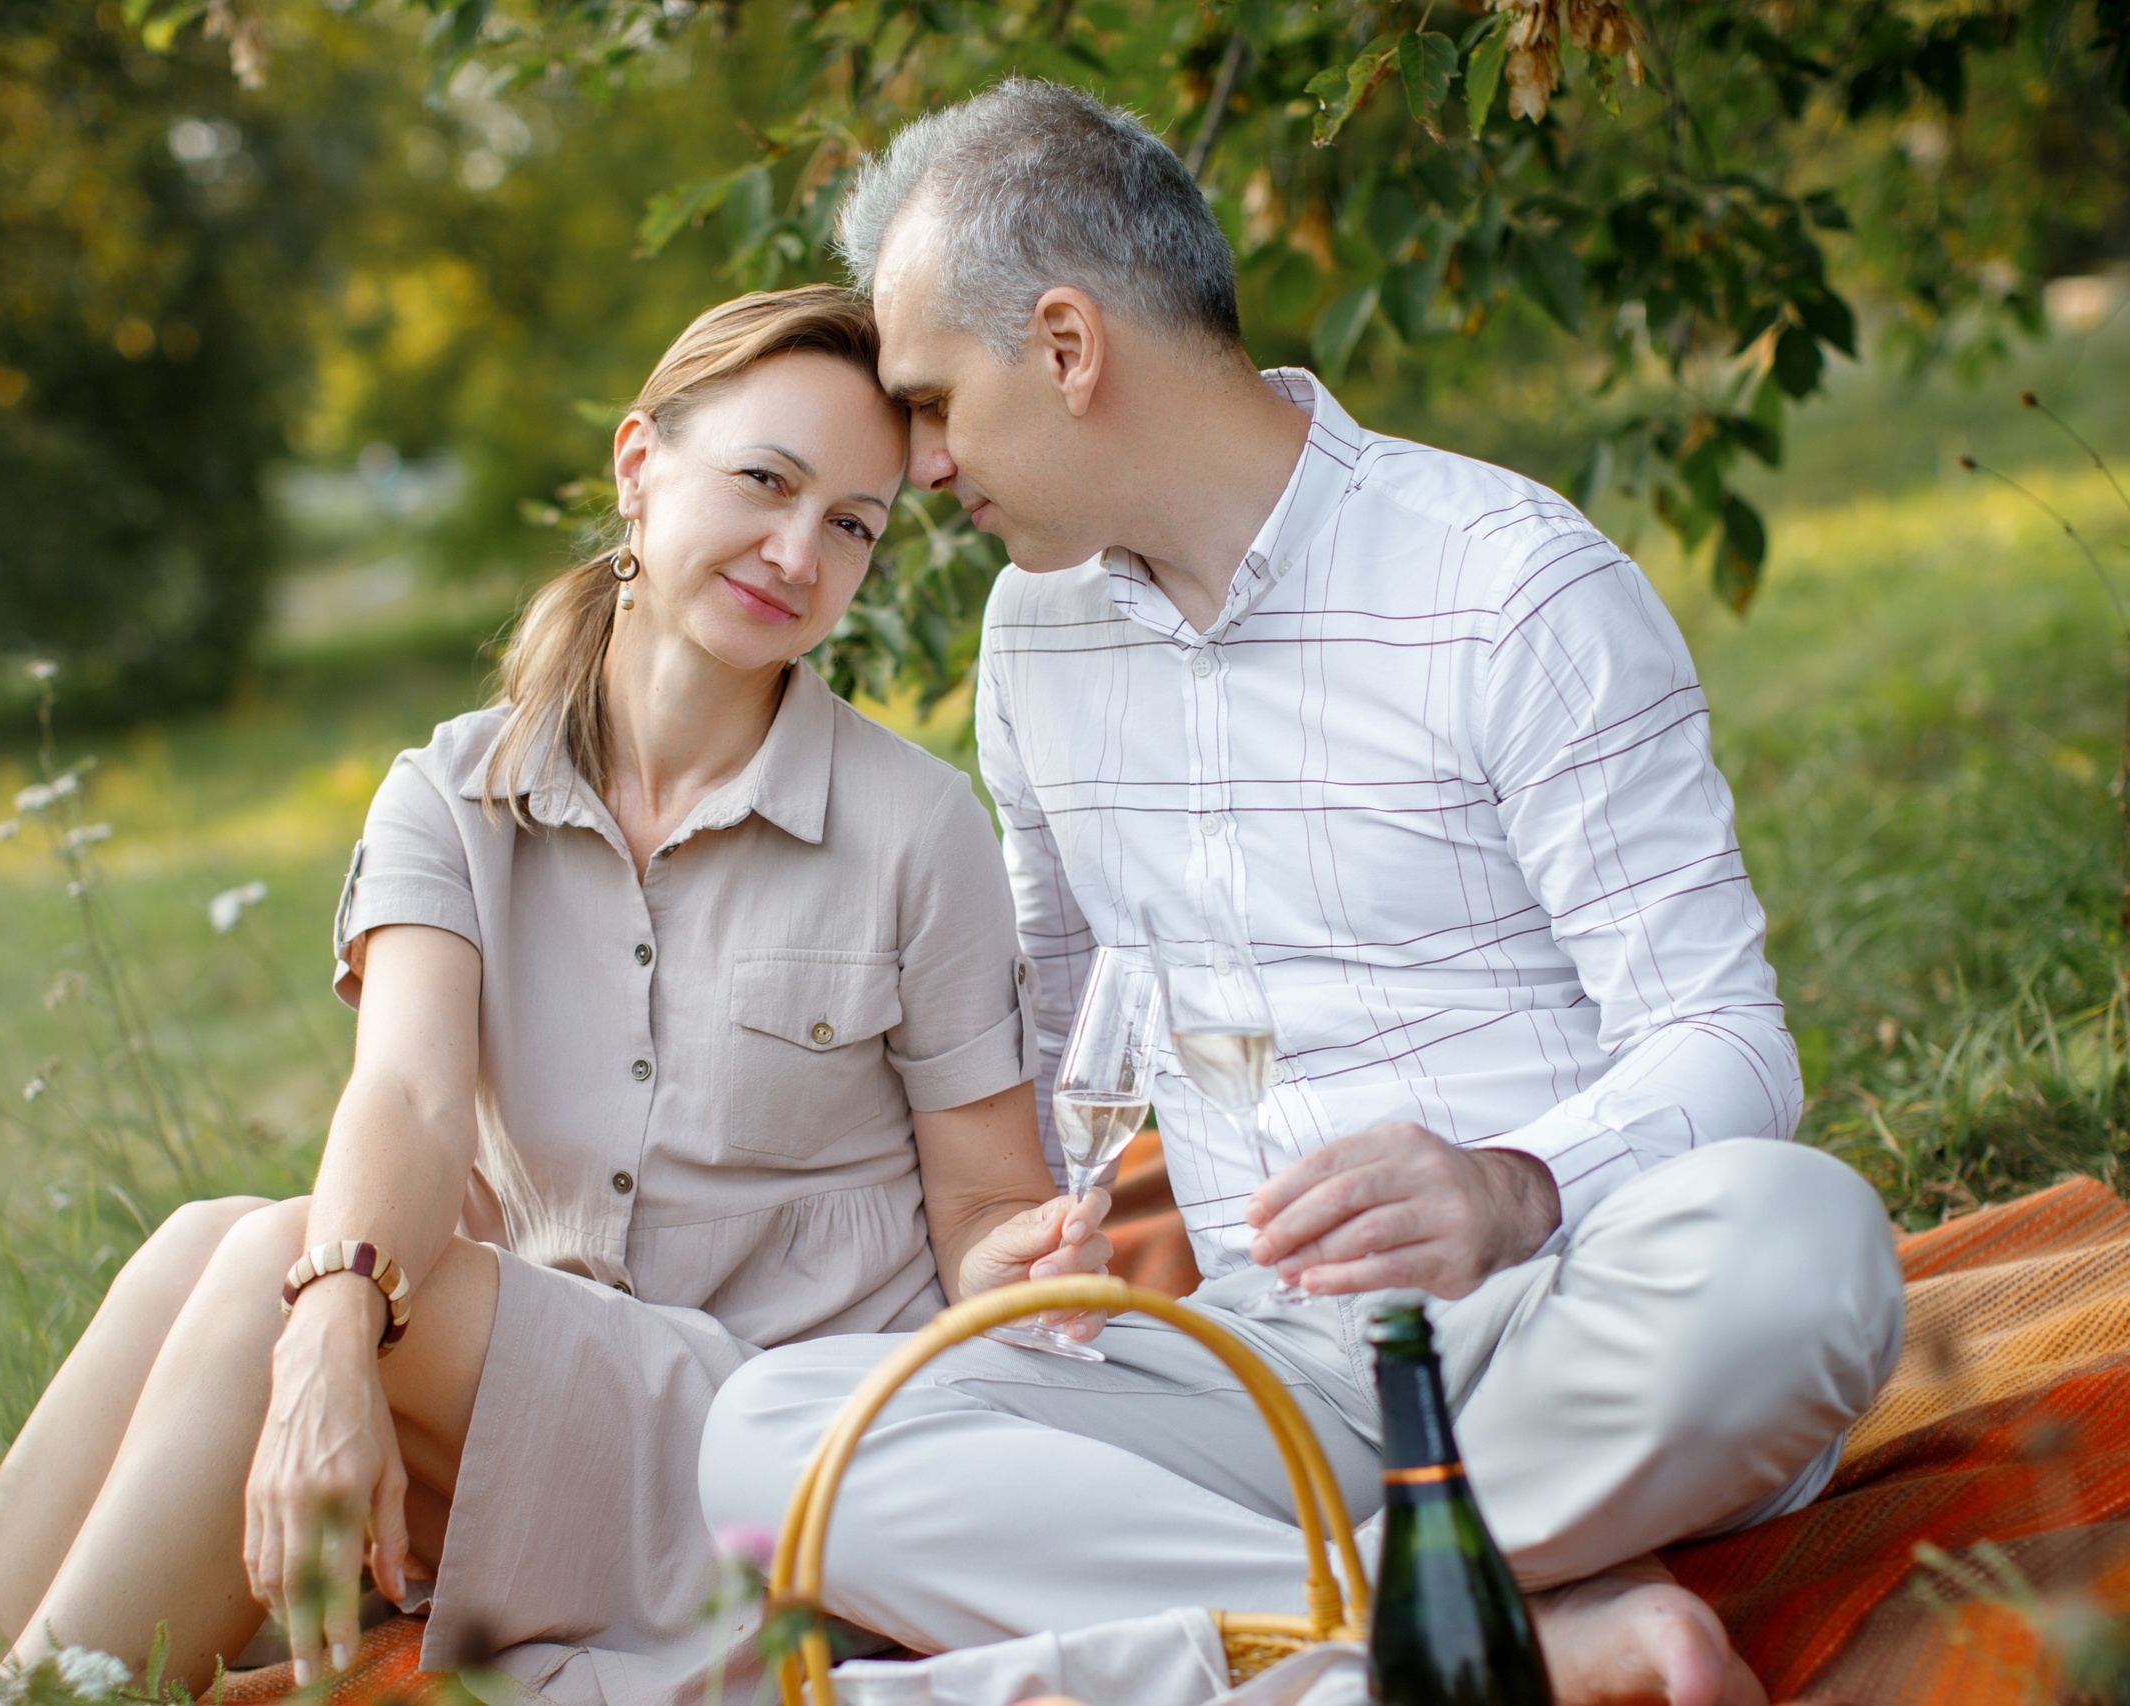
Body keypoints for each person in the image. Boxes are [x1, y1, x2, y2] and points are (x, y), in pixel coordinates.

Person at [698, 83, 1905, 1706]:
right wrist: (1038, 1233)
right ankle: (1494, 1632)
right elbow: (1057, 1023)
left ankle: (1215, 1617)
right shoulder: (1033, 641)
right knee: (781, 1439)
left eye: (928, 404)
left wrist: (1506, 1185)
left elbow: (1729, 1046)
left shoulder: (1507, 583)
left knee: (1805, 1247)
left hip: (1566, 1324)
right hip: (1267, 1384)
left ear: (1066, 346)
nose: (916, 468)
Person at [0, 285, 1109, 1706]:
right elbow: (406, 1094)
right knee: (203, 1239)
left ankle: (7, 1698)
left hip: (780, 1438)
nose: (799, 551)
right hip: (532, 1393)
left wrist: (1013, 1262)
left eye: (852, 523)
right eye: (764, 482)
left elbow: (980, 1203)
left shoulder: (916, 825)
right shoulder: (455, 790)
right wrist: (332, 1334)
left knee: (269, 1266)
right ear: (638, 465)